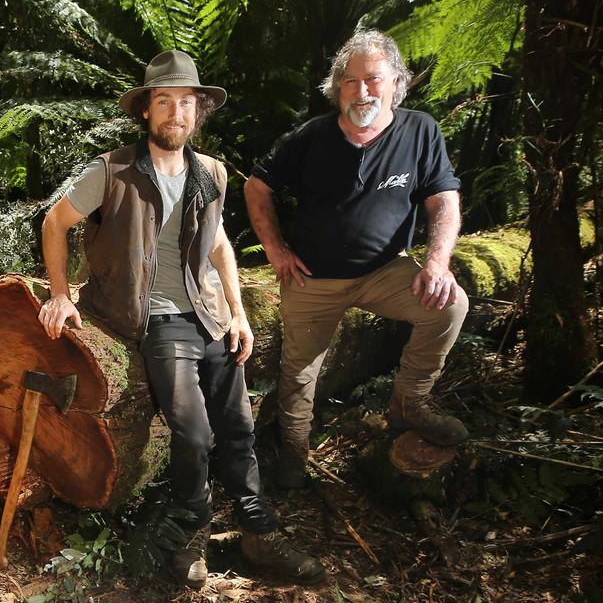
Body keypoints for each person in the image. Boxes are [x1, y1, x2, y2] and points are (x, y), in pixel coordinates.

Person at [37, 50, 325, 589]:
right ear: (146, 110)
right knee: (192, 433)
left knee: (238, 426)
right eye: (164, 101)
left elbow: (218, 245)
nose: (177, 112)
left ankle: (259, 533)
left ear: (198, 112)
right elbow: (55, 223)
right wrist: (59, 294)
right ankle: (193, 531)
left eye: (186, 103)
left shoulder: (210, 172)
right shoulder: (112, 171)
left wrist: (238, 313)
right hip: (156, 319)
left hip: (208, 313)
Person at [244, 30, 470, 491]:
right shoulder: (311, 137)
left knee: (450, 306)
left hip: (387, 272)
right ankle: (294, 450)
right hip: (314, 280)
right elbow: (256, 186)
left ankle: (410, 403)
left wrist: (437, 261)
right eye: (350, 81)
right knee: (298, 371)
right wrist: (275, 248)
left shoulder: (420, 130)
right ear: (336, 88)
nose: (362, 90)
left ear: (395, 83)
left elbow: (443, 199)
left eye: (373, 79)